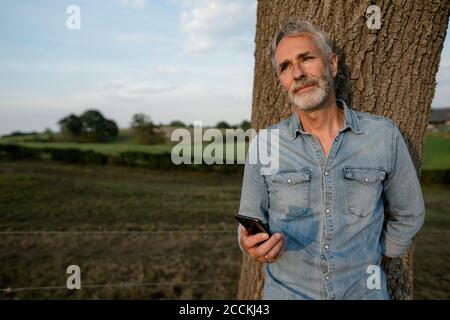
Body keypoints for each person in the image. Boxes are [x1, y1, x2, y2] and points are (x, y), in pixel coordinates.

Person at [237, 20, 425, 300]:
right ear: (281, 80)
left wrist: (377, 255)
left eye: (306, 58)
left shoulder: (383, 136)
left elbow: (409, 213)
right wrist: (248, 243)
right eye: (285, 67)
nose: (298, 73)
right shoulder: (265, 144)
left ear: (333, 64)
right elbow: (247, 222)